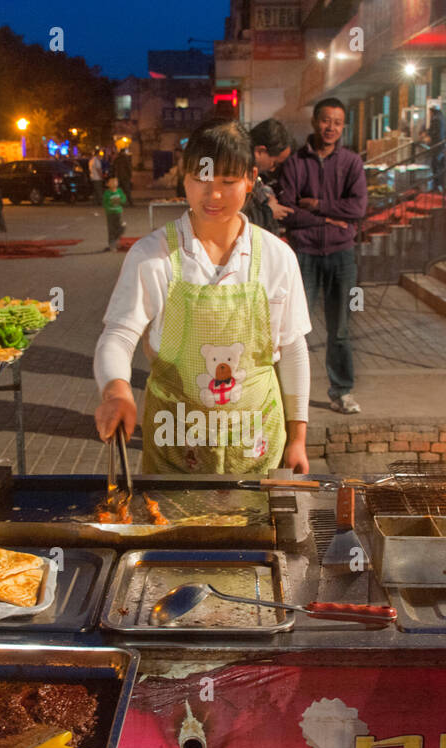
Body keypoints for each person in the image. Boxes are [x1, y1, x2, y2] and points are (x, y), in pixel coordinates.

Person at [93, 119, 312, 475]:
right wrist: (116, 390)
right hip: (176, 445)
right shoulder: (152, 255)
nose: (214, 195)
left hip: (257, 446)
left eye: (228, 182)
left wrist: (298, 437)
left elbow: (292, 348)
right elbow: (118, 334)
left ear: (250, 178)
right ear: (184, 177)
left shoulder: (276, 256)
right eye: (201, 179)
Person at [277, 97, 368, 415]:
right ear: (315, 121)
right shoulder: (294, 163)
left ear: (343, 127)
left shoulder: (352, 163)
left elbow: (358, 209)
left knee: (340, 329)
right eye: (326, 120)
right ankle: (286, 397)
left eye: (338, 122)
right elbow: (287, 214)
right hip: (303, 255)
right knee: (292, 330)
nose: (331, 127)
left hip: (341, 255)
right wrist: (329, 218)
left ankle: (341, 391)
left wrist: (316, 206)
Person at [241, 118, 293, 236]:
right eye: (274, 163)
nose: (273, 169)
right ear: (260, 151)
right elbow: (237, 219)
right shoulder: (238, 174)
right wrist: (269, 212)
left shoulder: (251, 174)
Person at [101, 173, 127, 251]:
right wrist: (110, 204)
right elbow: (105, 203)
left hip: (118, 212)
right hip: (110, 213)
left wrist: (120, 201)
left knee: (120, 227)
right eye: (112, 182)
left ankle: (117, 240)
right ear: (107, 184)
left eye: (115, 181)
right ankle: (112, 245)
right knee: (111, 229)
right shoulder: (107, 193)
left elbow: (124, 199)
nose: (114, 183)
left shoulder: (119, 191)